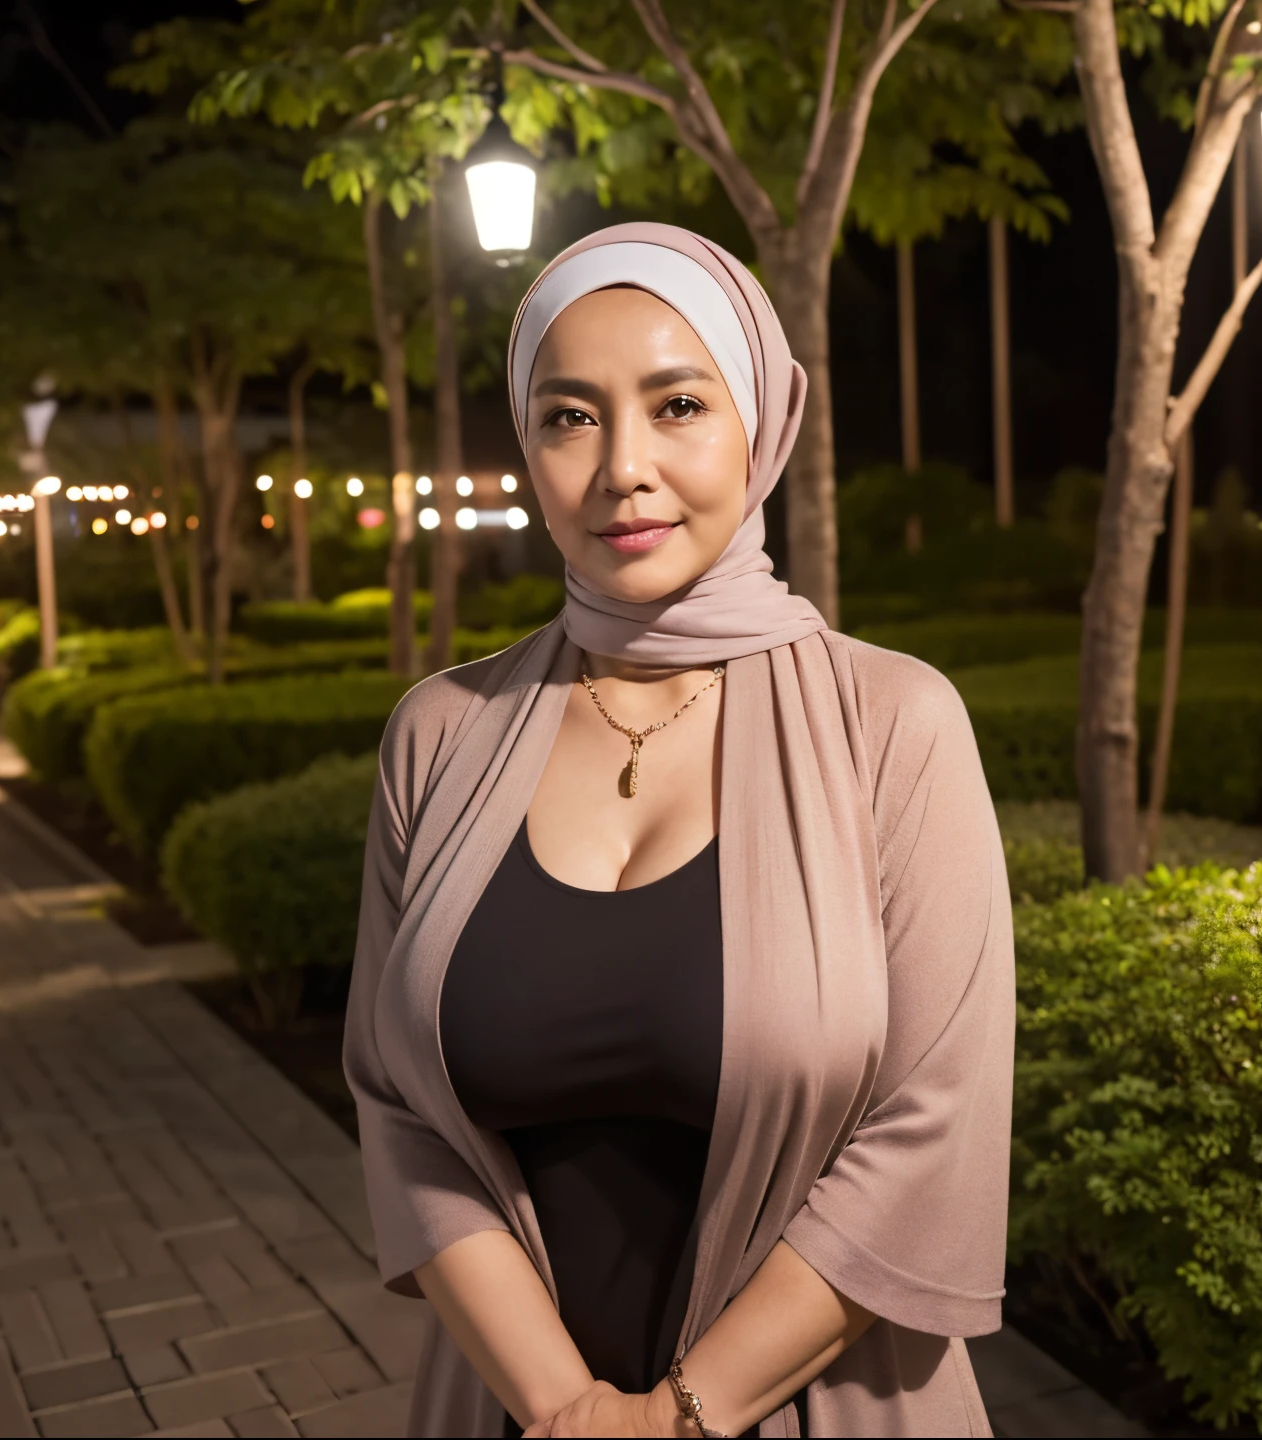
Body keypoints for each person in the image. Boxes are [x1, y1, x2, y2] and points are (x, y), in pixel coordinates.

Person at [344, 222, 1014, 1439]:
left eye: (679, 404)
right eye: (571, 415)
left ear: (761, 423)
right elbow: (399, 1106)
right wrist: (567, 1408)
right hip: (514, 1409)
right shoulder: (437, 736)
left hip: (832, 1406)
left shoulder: (892, 723)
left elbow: (932, 1127)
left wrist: (675, 1420)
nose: (624, 468)